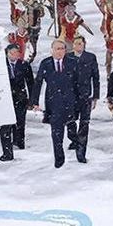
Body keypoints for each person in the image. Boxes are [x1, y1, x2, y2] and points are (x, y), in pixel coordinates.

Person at [31, 39, 79, 168]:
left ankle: (76, 145)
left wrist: (81, 101)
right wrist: (34, 101)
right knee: (56, 132)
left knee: (71, 126)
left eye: (62, 49)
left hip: (70, 101)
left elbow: (78, 83)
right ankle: (59, 158)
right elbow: (39, 82)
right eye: (57, 49)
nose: (60, 51)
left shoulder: (72, 62)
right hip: (53, 102)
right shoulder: (46, 63)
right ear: (52, 50)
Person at [67, 36, 100, 162]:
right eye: (75, 43)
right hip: (70, 95)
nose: (78, 46)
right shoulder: (68, 57)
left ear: (84, 44)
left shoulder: (90, 57)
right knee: (70, 121)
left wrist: (95, 96)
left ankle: (81, 152)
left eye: (80, 43)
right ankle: (73, 139)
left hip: (86, 95)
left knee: (84, 123)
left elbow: (95, 77)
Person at [0, 44, 34, 161]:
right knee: (5, 124)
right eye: (11, 53)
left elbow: (30, 83)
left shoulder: (24, 65)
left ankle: (20, 141)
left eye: (16, 53)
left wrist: (32, 100)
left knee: (20, 121)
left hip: (20, 96)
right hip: (5, 97)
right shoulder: (0, 65)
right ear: (7, 53)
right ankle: (7, 150)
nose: (14, 55)